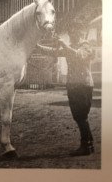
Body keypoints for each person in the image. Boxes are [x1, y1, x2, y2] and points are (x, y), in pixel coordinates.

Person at [36, 22, 95, 156]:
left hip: (83, 86)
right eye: (70, 33)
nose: (71, 35)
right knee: (79, 117)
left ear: (80, 33)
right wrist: (37, 47)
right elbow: (54, 52)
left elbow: (78, 55)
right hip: (74, 86)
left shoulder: (86, 46)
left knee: (81, 116)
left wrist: (63, 44)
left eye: (73, 33)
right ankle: (89, 144)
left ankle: (85, 145)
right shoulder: (71, 46)